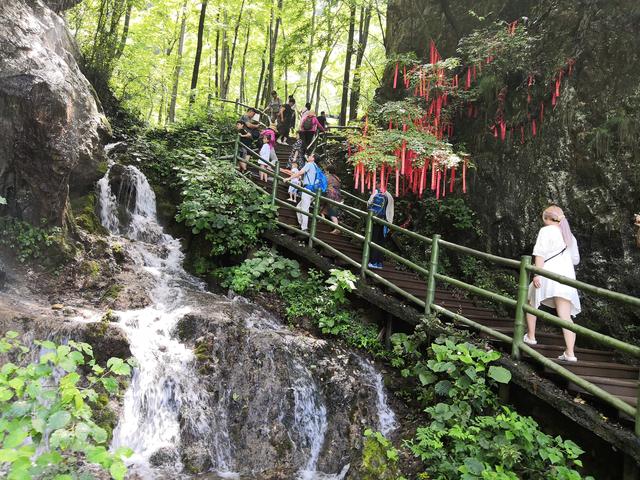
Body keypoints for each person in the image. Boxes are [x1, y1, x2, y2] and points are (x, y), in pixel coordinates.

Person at [524, 205, 581, 362]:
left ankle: (531, 336)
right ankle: (570, 353)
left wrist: (537, 274)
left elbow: (540, 253)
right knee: (565, 316)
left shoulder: (546, 231)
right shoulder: (570, 236)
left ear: (547, 218)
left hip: (547, 274)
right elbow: (575, 260)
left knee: (531, 303)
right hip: (567, 279)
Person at [285, 154, 319, 233]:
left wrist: (288, 178)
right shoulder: (316, 167)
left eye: (311, 156)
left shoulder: (309, 164)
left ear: (313, 159)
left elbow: (299, 173)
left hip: (308, 190)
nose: (309, 157)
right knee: (298, 207)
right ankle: (301, 225)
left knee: (304, 209)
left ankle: (304, 229)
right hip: (314, 191)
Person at [366, 184, 394, 269]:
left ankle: (373, 262)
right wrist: (390, 223)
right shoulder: (389, 195)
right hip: (385, 222)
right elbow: (391, 211)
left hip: (375, 220)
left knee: (374, 240)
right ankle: (379, 263)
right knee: (381, 242)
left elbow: (369, 204)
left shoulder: (376, 192)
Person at [324, 165, 343, 234]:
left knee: (332, 212)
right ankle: (323, 219)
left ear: (328, 171)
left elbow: (323, 184)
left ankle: (337, 227)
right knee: (327, 209)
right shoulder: (337, 178)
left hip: (330, 194)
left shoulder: (328, 177)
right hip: (337, 195)